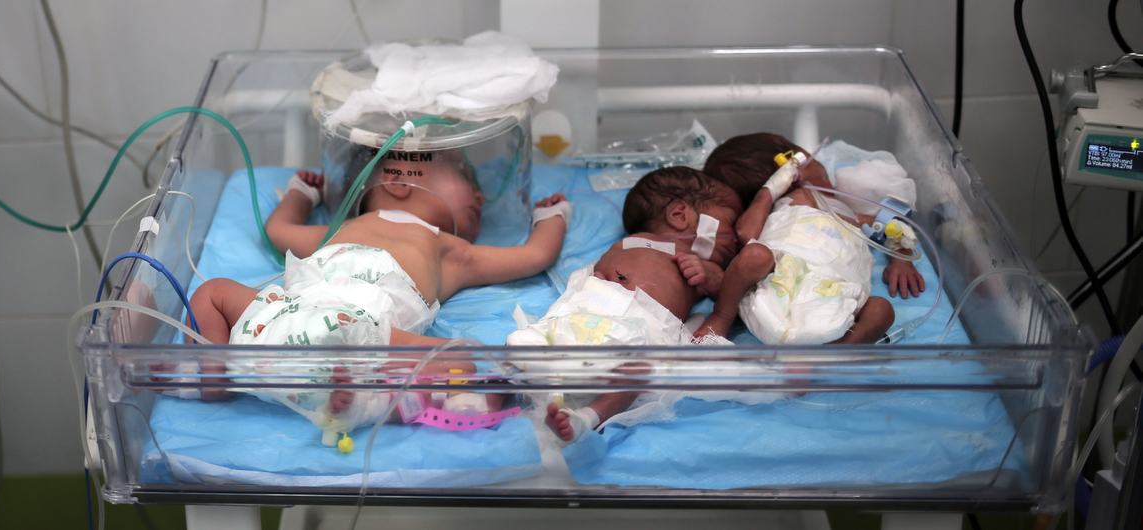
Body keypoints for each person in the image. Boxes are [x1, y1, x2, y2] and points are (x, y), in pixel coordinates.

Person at [187, 149, 571, 438]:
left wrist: (550, 219)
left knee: (460, 362)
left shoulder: (451, 250)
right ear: (400, 181)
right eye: (469, 183)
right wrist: (302, 192)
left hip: (365, 330)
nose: (481, 197)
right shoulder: (345, 229)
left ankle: (367, 402)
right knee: (212, 290)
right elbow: (280, 231)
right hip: (294, 312)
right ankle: (217, 374)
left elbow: (534, 256)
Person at [507, 166, 747, 442]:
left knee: (639, 371)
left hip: (642, 330)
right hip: (588, 312)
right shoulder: (636, 242)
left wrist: (710, 276)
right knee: (525, 347)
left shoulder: (704, 265)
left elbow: (729, 292)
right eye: (729, 224)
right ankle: (494, 394)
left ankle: (587, 417)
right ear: (680, 215)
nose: (737, 238)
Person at [696, 133, 924, 344]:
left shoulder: (849, 213)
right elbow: (746, 234)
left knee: (881, 310)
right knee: (755, 255)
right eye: (812, 158)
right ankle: (721, 317)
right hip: (777, 284)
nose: (821, 165)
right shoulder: (793, 199)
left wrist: (902, 260)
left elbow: (894, 227)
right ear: (795, 173)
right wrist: (770, 191)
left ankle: (833, 353)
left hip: (836, 294)